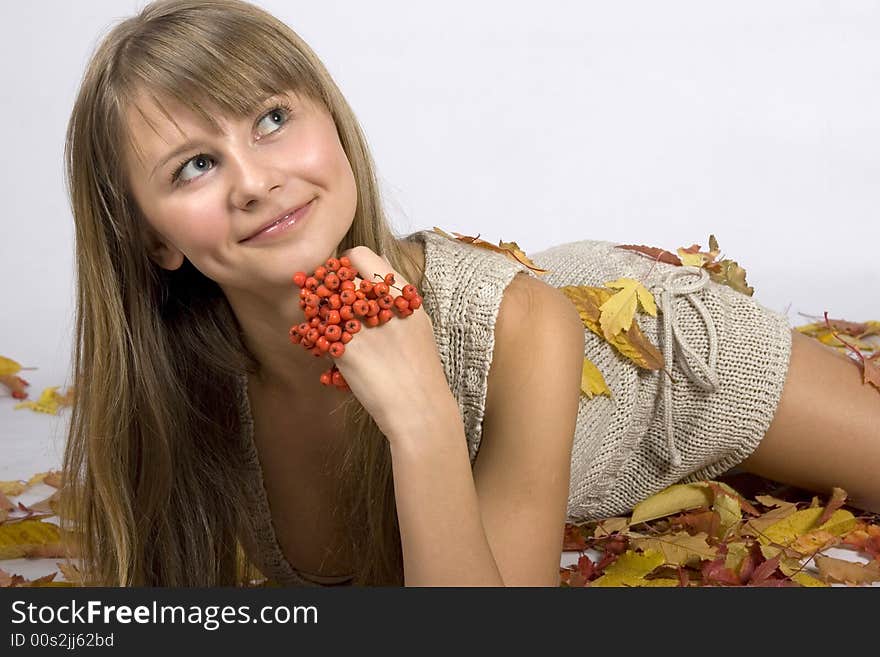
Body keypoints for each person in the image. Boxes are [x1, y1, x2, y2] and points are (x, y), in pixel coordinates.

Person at [60, 0, 880, 588]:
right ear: (152, 237)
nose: (256, 181)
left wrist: (421, 417)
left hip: (665, 364)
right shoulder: (175, 390)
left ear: (335, 128)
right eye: (194, 165)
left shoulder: (517, 324)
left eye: (272, 118)